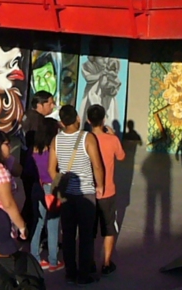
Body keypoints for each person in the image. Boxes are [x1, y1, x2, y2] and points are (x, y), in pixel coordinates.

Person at [48, 104, 104, 286]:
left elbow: (51, 169)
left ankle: (70, 273)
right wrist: (100, 185)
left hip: (66, 196)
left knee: (68, 235)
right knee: (86, 237)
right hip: (85, 194)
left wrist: (61, 182)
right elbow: (97, 165)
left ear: (61, 122)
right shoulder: (88, 138)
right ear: (78, 118)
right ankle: (83, 275)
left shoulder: (56, 140)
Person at [87, 104, 125, 276]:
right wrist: (114, 136)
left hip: (88, 191)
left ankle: (89, 261)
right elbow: (121, 156)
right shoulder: (112, 140)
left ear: (88, 120)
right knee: (109, 227)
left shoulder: (85, 139)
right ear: (103, 119)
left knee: (89, 229)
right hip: (107, 190)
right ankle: (106, 263)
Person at [30, 117, 63, 271]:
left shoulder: (35, 148)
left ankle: (35, 256)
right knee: (53, 224)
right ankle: (53, 261)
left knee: (38, 222)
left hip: (38, 186)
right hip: (52, 188)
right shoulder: (54, 149)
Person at [20, 90, 55, 234]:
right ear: (40, 105)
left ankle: (25, 228)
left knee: (30, 200)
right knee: (34, 203)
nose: (53, 106)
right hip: (34, 168)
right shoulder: (38, 121)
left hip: (26, 165)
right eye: (50, 103)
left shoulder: (27, 115)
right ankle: (30, 231)